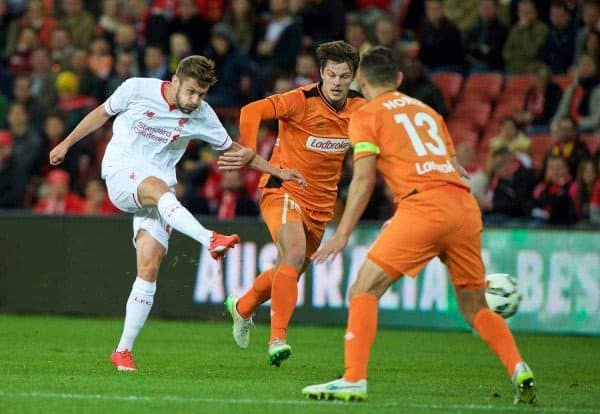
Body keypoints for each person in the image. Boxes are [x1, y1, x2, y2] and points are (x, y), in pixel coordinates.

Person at [301, 47, 537, 405]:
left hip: (424, 206)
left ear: (360, 81)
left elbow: (363, 180)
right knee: (476, 308)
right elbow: (452, 170)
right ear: (398, 79)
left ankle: (353, 379)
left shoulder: (366, 114)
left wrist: (343, 233)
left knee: (362, 290)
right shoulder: (430, 112)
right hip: (463, 206)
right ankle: (518, 366)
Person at [48, 55, 304, 372]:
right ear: (176, 81)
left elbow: (236, 152)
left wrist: (277, 170)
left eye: (202, 94)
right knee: (159, 187)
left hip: (160, 194)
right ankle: (209, 239)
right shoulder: (136, 88)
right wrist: (66, 144)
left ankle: (122, 351)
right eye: (192, 92)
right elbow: (101, 114)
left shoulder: (203, 115)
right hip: (121, 173)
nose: (196, 100)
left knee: (150, 263)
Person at [219, 41, 365, 366]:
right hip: (281, 188)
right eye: (331, 74)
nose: (337, 82)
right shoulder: (300, 101)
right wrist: (250, 151)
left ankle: (242, 307)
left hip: (321, 202)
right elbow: (250, 111)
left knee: (290, 270)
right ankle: (277, 338)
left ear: (353, 76)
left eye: (344, 76)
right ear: (321, 74)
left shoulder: (361, 109)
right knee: (294, 252)